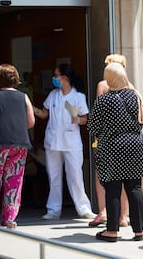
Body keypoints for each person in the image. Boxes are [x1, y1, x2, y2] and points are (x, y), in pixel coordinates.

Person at [88, 62, 143, 242]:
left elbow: (92, 126)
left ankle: (112, 230)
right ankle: (139, 231)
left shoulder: (104, 100)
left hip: (111, 146)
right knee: (135, 187)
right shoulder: (135, 96)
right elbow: (142, 120)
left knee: (113, 188)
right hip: (135, 144)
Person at [34, 63, 95, 220]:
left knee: (75, 176)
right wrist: (29, 107)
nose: (54, 78)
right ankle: (53, 210)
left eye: (56, 75)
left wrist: (77, 119)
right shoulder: (53, 95)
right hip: (53, 141)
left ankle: (83, 208)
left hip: (71, 142)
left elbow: (85, 119)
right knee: (53, 176)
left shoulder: (78, 97)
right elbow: (43, 114)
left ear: (64, 78)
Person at [0, 64, 35, 229]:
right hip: (19, 143)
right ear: (15, 79)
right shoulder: (23, 97)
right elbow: (31, 122)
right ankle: (10, 218)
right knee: (14, 181)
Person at [89, 54, 130, 228]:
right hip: (127, 139)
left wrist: (97, 135)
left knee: (102, 175)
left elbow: (98, 112)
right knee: (127, 177)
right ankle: (124, 216)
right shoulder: (131, 87)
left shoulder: (103, 85)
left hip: (106, 138)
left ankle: (103, 211)